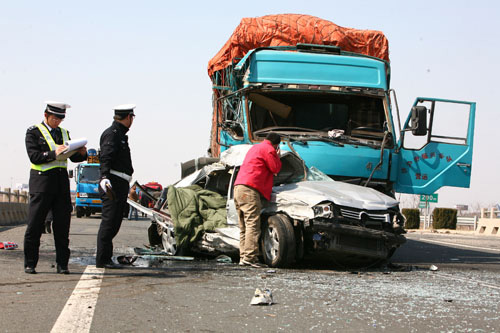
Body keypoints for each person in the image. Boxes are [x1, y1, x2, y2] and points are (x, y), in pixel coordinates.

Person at [24, 101, 88, 274]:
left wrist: (81, 154)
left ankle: (62, 264)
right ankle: (30, 263)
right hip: (42, 183)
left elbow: (71, 157)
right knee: (35, 225)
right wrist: (54, 153)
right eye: (55, 118)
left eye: (61, 119)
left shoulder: (64, 132)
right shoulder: (33, 132)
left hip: (61, 183)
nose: (58, 122)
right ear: (46, 115)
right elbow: (34, 157)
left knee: (62, 227)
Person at [234, 132, 282, 268]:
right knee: (253, 225)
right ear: (276, 145)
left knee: (244, 226)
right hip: (250, 189)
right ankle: (250, 258)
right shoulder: (269, 149)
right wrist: (277, 157)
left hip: (238, 188)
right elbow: (275, 168)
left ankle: (244, 257)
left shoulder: (255, 147)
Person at [96, 104, 135, 268]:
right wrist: (104, 177)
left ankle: (106, 257)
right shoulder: (112, 134)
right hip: (113, 182)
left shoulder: (120, 134)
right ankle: (103, 259)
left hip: (120, 183)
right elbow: (105, 156)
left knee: (115, 221)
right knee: (109, 222)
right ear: (128, 118)